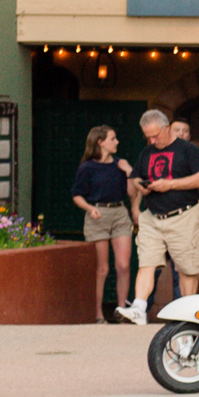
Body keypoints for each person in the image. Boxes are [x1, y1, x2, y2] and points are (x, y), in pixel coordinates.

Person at [115, 110, 199, 324]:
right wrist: (142, 186)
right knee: (146, 263)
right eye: (148, 136)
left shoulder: (188, 149)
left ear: (167, 128)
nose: (152, 140)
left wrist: (169, 184)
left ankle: (189, 317)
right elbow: (137, 179)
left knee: (187, 269)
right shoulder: (147, 152)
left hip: (183, 216)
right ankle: (139, 308)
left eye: (156, 135)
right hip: (152, 216)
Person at [71, 125, 134, 324]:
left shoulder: (120, 164)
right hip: (98, 214)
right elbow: (77, 194)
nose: (116, 142)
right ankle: (98, 313)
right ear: (100, 142)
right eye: (113, 139)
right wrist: (90, 209)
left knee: (123, 265)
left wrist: (129, 171)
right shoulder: (87, 167)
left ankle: (122, 310)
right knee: (102, 268)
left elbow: (133, 193)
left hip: (119, 212)